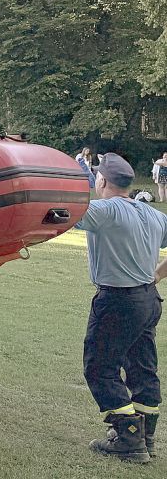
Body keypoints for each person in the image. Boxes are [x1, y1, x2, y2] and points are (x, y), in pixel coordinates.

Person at [74, 153, 164, 463]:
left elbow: (58, 214)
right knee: (142, 368)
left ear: (101, 180)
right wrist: (156, 275)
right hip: (148, 299)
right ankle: (146, 436)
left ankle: (128, 439)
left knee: (100, 368)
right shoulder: (153, 214)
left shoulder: (103, 210)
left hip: (118, 300)